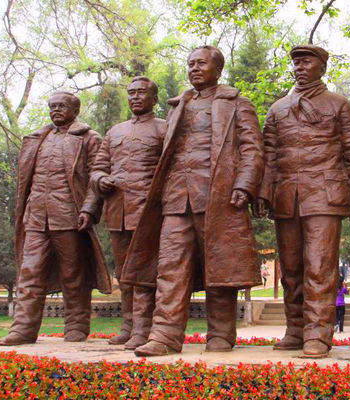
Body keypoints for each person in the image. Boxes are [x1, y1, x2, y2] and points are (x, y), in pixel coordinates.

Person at [121, 45, 264, 357]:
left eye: (201, 63)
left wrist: (245, 185)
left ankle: (221, 334)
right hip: (176, 197)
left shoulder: (237, 103)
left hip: (218, 195)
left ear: (218, 69)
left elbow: (252, 148)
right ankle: (165, 335)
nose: (194, 69)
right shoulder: (178, 106)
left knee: (220, 267)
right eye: (190, 64)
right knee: (169, 266)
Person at [255, 45, 350, 358]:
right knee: (291, 269)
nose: (300, 67)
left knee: (320, 267)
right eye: (296, 63)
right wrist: (263, 193)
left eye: (306, 62)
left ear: (322, 67)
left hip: (325, 196)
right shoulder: (278, 108)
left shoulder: (339, 105)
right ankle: (295, 330)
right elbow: (269, 155)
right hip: (286, 197)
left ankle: (318, 335)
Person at [0, 91, 111, 346]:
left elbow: (96, 176)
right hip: (37, 216)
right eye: (52, 106)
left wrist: (89, 209)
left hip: (69, 216)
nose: (56, 110)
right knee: (29, 272)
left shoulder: (89, 138)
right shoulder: (38, 138)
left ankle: (76, 326)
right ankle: (23, 329)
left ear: (75, 110)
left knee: (74, 274)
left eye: (62, 106)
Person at [90, 76, 166, 349]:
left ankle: (144, 330)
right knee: (124, 273)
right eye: (131, 93)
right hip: (117, 211)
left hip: (148, 212)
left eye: (141, 93)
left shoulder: (163, 128)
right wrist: (100, 180)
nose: (135, 97)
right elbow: (98, 167)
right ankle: (128, 326)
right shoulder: (115, 132)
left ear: (154, 98)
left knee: (144, 273)